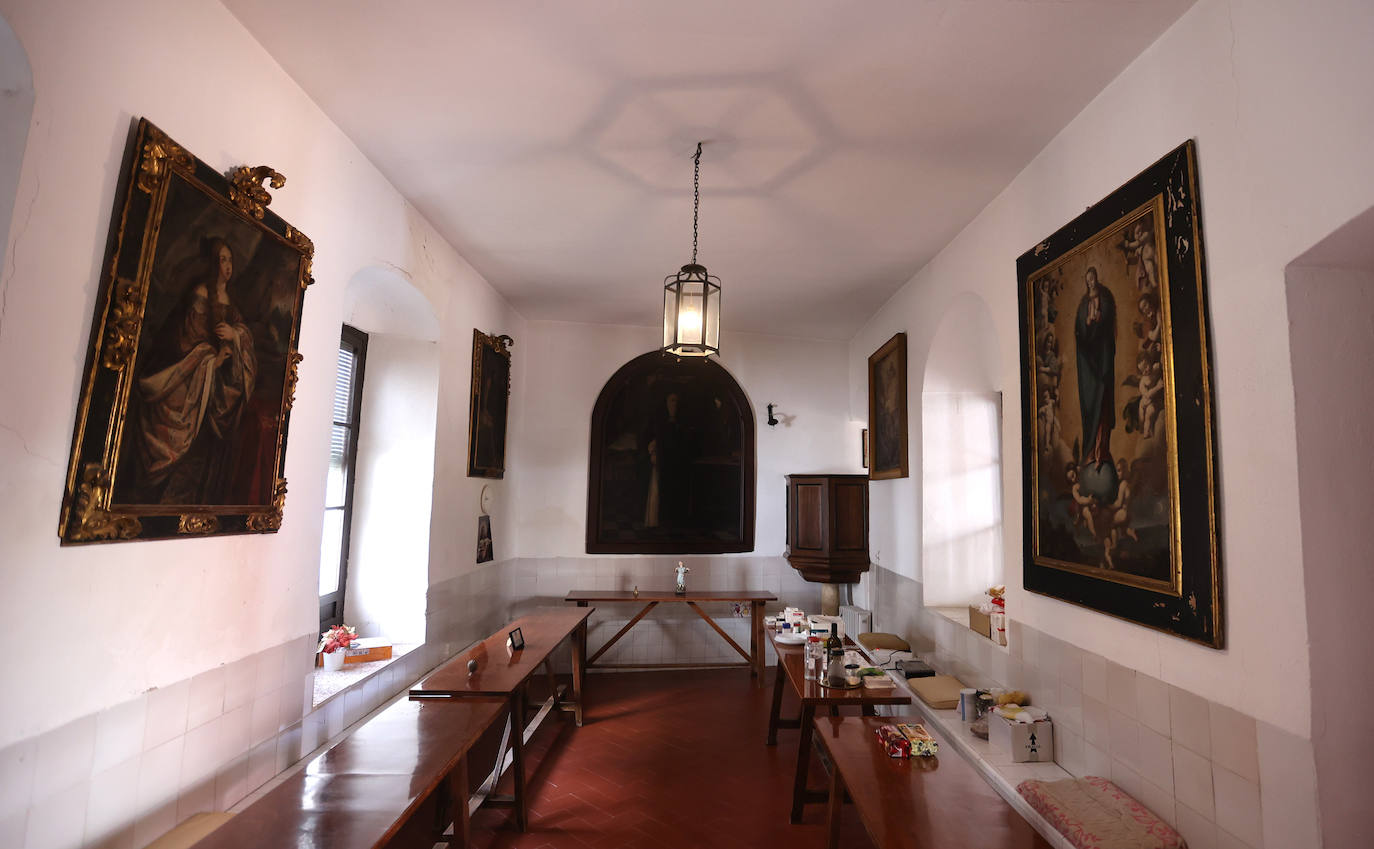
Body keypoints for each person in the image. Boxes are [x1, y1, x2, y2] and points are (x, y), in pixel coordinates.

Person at [127, 236, 257, 504]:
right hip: (192, 378)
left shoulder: (230, 302)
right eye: (222, 260)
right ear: (213, 264)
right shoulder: (200, 294)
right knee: (184, 440)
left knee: (205, 451)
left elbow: (241, 334)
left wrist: (235, 336)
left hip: (213, 383)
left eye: (230, 260)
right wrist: (214, 358)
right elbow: (187, 341)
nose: (227, 266)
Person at [1073, 266, 1116, 468]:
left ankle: (1103, 450)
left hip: (1103, 357)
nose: (1091, 282)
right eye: (1088, 279)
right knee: (1091, 405)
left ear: (1096, 278)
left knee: (1104, 402)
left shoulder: (1105, 296)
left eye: (1093, 278)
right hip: (1089, 361)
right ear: (1086, 281)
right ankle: (1091, 451)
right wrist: (1088, 323)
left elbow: (1109, 319)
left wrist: (1100, 320)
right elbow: (1079, 333)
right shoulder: (1083, 304)